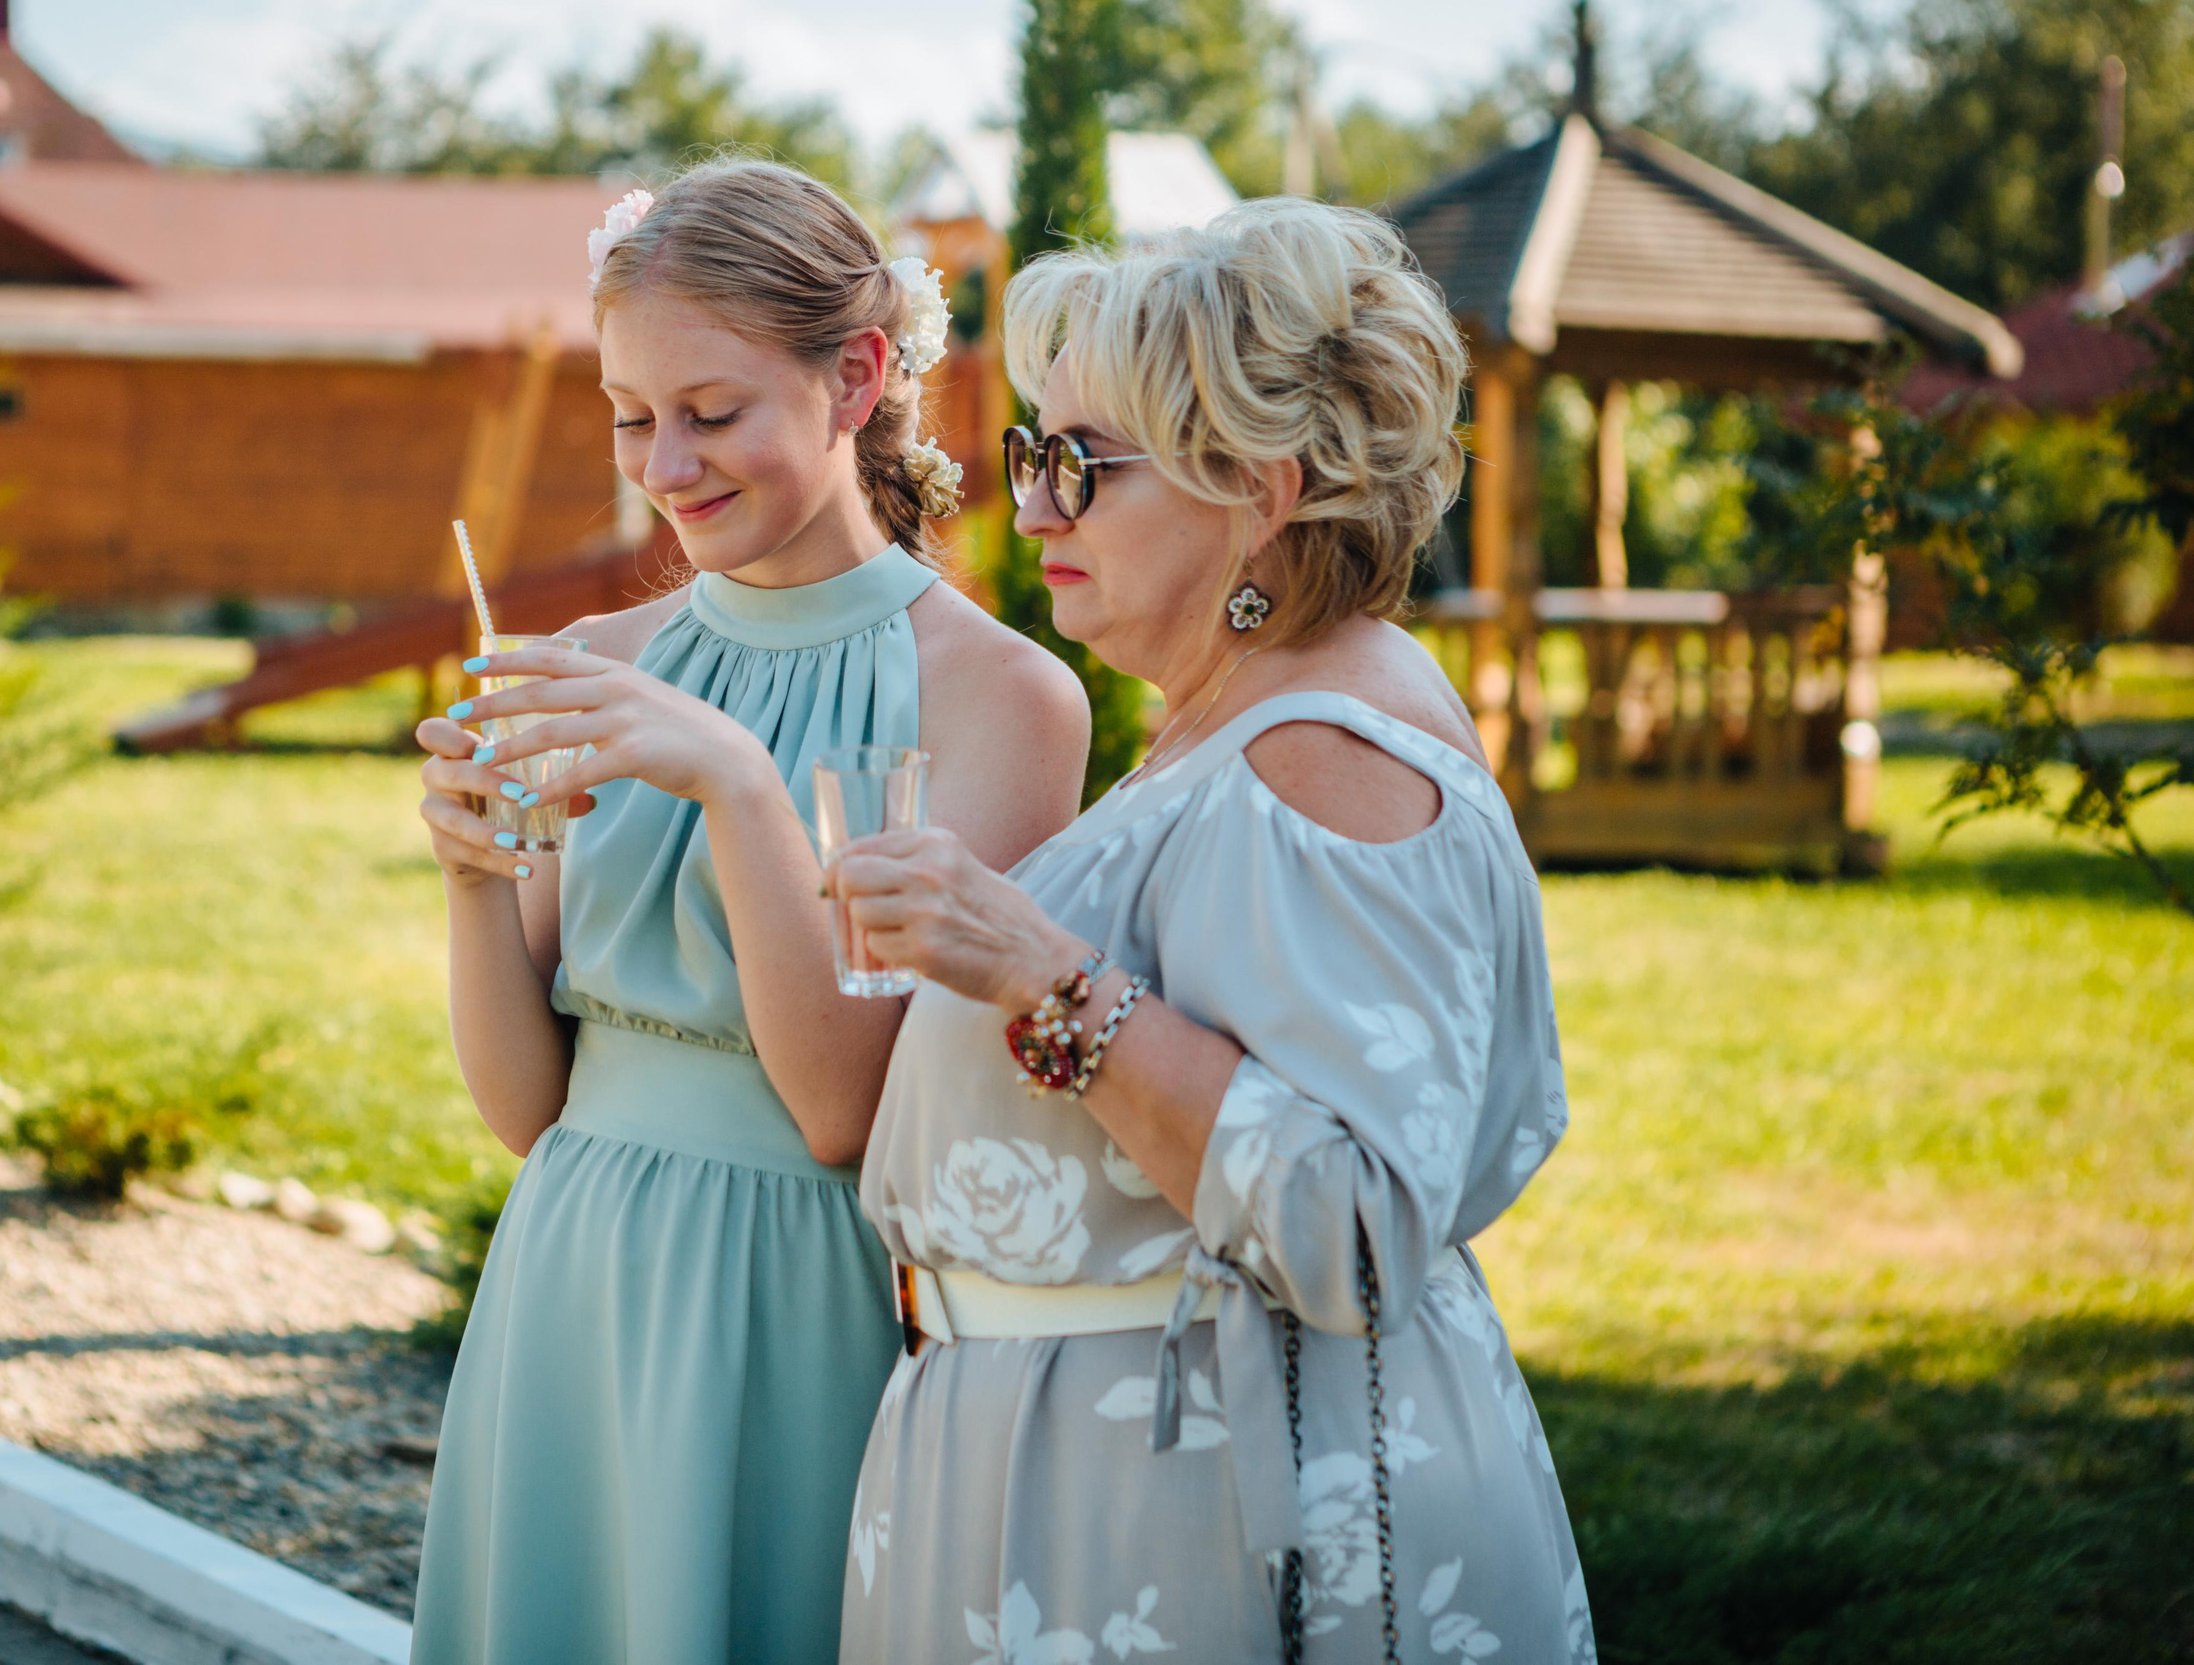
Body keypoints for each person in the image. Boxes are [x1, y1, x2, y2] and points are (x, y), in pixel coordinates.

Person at [829, 200, 1593, 1664]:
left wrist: (1042, 972)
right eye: (1029, 457)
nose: (1035, 508)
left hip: (1208, 1529)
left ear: (1256, 487)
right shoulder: (1236, 715)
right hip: (1105, 1492)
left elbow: (1358, 1228)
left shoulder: (1327, 757)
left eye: (1081, 467)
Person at [405, 160, 1090, 1665]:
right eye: (631, 415)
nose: (665, 464)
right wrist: (468, 879)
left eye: (712, 414)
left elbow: (843, 1106)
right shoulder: (589, 654)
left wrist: (738, 781)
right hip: (566, 1277)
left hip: (794, 1307)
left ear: (855, 379)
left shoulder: (1005, 701)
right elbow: (529, 1107)